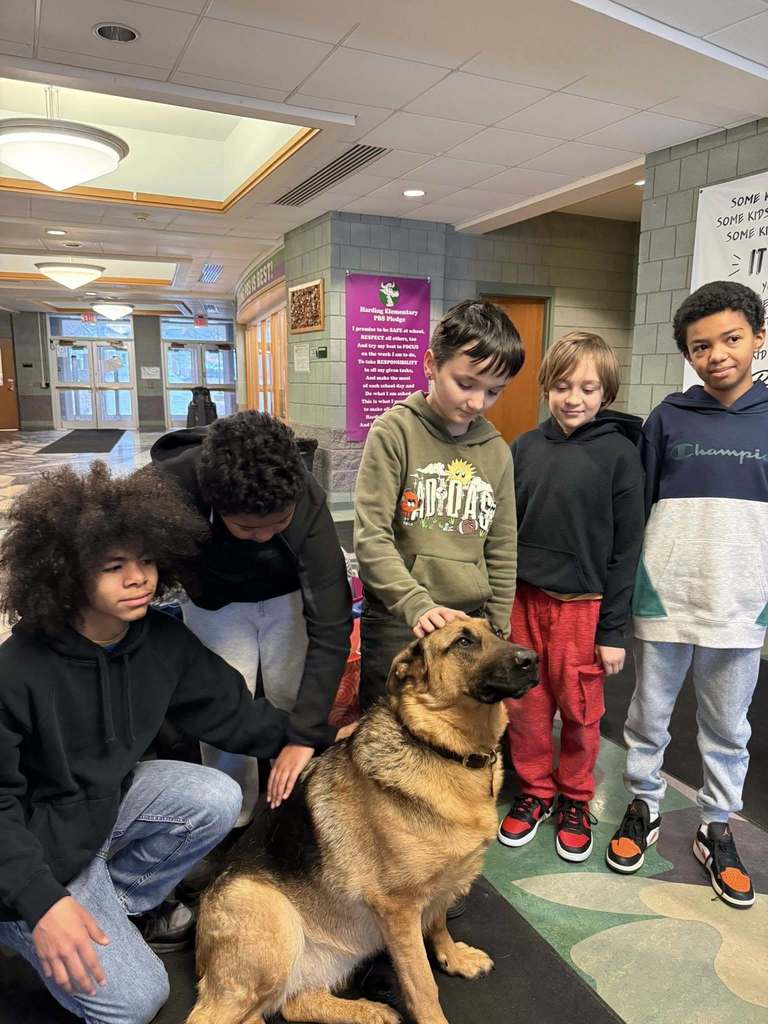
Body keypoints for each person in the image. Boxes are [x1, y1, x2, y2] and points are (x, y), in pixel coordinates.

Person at [0, 461, 313, 1024]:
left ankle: (111, 908)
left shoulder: (159, 639)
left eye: (145, 560)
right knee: (137, 1001)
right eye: (114, 566)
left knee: (213, 795)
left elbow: (233, 713)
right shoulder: (17, 672)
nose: (138, 577)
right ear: (66, 574)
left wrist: (312, 738)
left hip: (97, 819)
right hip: (30, 855)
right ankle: (29, 924)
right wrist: (40, 901)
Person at [606, 280, 768, 909]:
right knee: (646, 717)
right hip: (664, 600)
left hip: (741, 606)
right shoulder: (667, 418)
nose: (717, 354)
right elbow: (638, 510)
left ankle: (716, 826)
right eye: (701, 346)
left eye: (731, 338)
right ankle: (643, 807)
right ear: (688, 354)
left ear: (758, 337)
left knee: (727, 728)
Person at [151, 411, 351, 824]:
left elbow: (331, 624)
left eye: (279, 523)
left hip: (286, 593)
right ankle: (230, 817)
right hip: (214, 597)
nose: (264, 536)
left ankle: (289, 801)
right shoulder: (172, 487)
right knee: (226, 700)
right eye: (248, 528)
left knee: (292, 695)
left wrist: (304, 734)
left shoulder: (303, 492)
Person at [498, 332, 645, 862]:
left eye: (587, 387)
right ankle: (536, 791)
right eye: (562, 386)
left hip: (583, 608)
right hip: (523, 600)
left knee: (581, 712)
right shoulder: (524, 448)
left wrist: (612, 632)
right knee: (527, 705)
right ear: (545, 388)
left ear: (605, 392)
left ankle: (576, 797)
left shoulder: (620, 456)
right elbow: (503, 531)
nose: (573, 398)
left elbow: (627, 551)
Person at [354, 298, 525, 712]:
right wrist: (416, 604)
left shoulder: (495, 450)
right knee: (387, 732)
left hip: (471, 622)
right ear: (431, 364)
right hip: (399, 619)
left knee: (465, 736)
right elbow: (371, 538)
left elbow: (501, 548)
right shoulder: (394, 431)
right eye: (466, 384)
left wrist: (496, 627)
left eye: (493, 391)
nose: (477, 402)